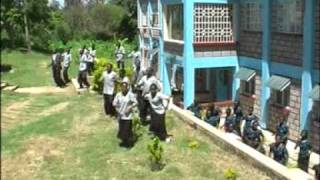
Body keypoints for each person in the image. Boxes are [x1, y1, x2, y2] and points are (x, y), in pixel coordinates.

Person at [113, 82, 137, 148]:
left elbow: (135, 102)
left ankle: (129, 144)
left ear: (127, 87)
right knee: (122, 129)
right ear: (121, 87)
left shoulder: (130, 95)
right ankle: (124, 142)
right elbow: (114, 103)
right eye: (122, 87)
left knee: (127, 129)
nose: (124, 88)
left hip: (128, 115)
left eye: (125, 87)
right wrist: (117, 109)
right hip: (121, 115)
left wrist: (130, 107)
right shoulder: (118, 95)